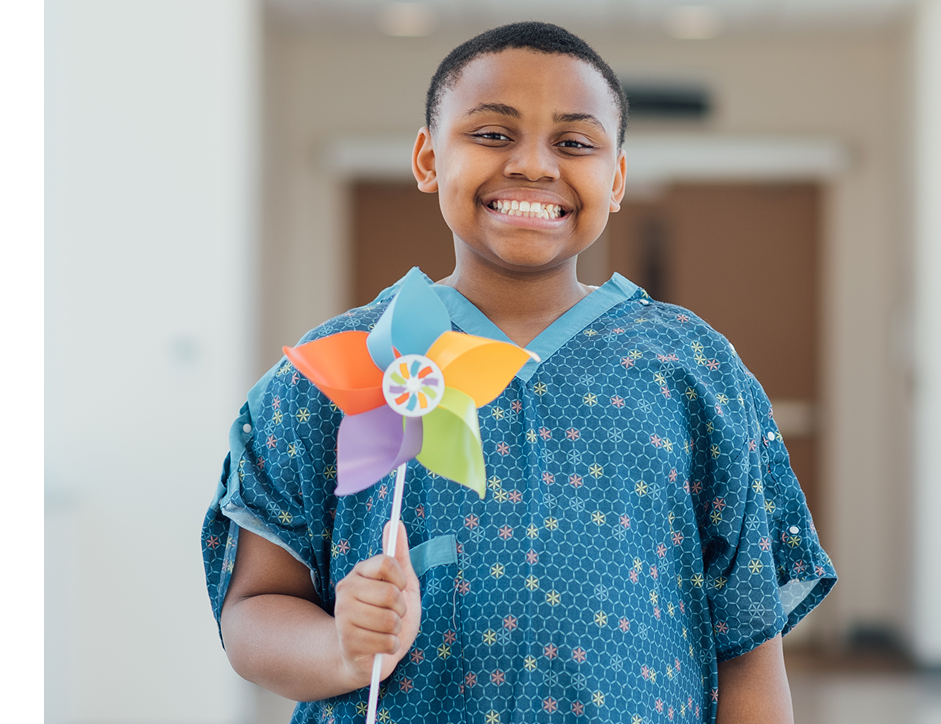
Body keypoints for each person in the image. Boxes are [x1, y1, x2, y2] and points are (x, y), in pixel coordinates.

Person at [202, 21, 835, 724]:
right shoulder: (328, 372)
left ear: (617, 178)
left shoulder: (695, 370)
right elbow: (252, 610)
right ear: (428, 158)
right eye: (493, 135)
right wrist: (341, 650)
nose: (534, 165)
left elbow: (748, 645)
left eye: (575, 142)